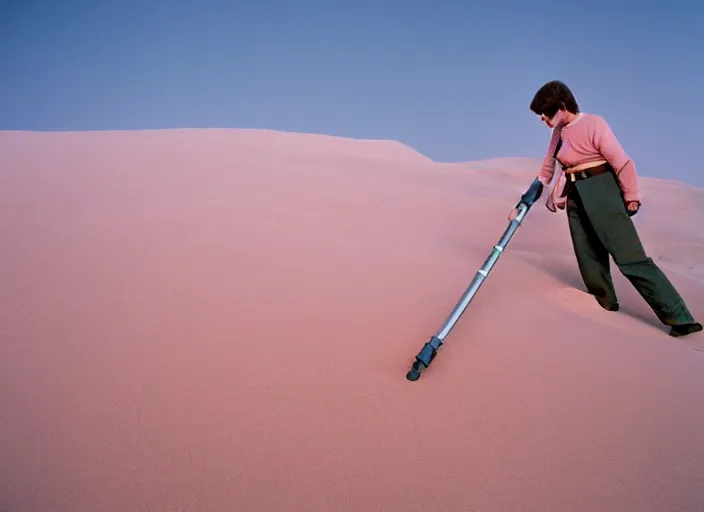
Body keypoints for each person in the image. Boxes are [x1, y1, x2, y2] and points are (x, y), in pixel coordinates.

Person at [511, 80, 702, 338]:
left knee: (629, 257)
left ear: (563, 105)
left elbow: (620, 161)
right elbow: (546, 171)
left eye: (547, 112)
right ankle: (603, 309)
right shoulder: (557, 135)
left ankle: (679, 317)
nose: (543, 119)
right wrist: (524, 202)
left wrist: (631, 195)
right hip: (575, 196)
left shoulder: (594, 124)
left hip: (602, 189)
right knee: (588, 258)